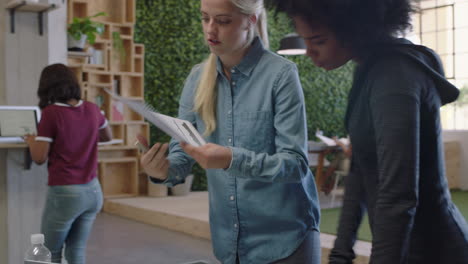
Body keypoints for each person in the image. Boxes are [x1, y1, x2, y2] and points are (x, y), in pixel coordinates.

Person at [266, 0, 468, 263]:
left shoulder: (395, 75)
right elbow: (359, 174)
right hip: (406, 248)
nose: (310, 53)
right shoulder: (368, 69)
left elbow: (399, 196)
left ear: (355, 28)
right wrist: (340, 253)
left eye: (318, 40)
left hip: (436, 251)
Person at [140, 0, 321, 263]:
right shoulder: (196, 78)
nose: (210, 30)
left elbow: (295, 165)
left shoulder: (280, 75)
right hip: (230, 243)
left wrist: (230, 159)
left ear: (251, 21)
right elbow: (182, 153)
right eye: (205, 18)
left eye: (223, 21)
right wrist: (162, 170)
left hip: (285, 240)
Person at [24, 63, 112, 264]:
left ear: (46, 87)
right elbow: (107, 137)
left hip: (65, 193)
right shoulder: (92, 108)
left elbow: (39, 158)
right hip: (93, 192)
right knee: (76, 250)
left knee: (49, 254)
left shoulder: (51, 113)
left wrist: (31, 140)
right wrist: (83, 136)